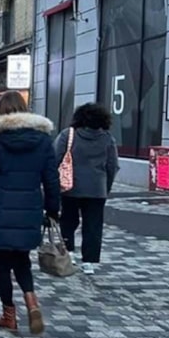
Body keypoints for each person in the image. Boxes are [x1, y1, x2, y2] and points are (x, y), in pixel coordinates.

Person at [0, 91, 60, 335]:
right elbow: (52, 179)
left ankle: (9, 316)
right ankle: (32, 301)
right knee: (22, 261)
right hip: (29, 212)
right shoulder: (43, 141)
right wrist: (53, 209)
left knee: (1, 267)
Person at [55, 103, 119, 275]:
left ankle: (69, 251)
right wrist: (106, 186)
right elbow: (112, 166)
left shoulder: (68, 135)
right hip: (97, 189)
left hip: (70, 187)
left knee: (68, 220)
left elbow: (55, 158)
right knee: (93, 225)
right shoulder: (107, 138)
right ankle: (89, 261)